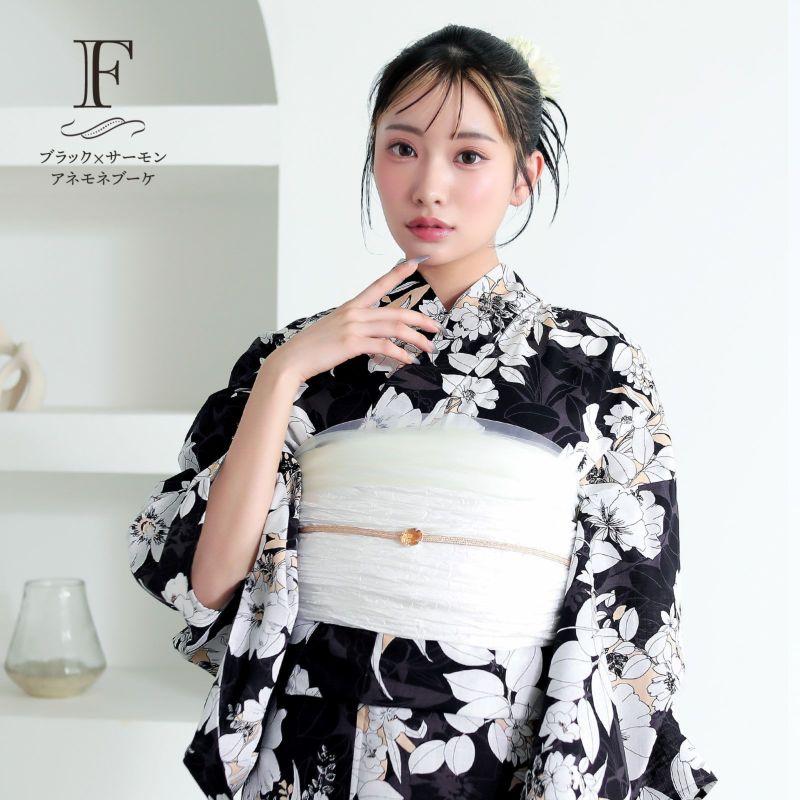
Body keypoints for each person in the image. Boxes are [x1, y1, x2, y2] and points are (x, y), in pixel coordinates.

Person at [128, 24, 718, 800]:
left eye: (468, 156)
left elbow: (635, 616)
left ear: (524, 176)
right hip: (312, 739)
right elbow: (211, 585)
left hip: (497, 744)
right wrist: (284, 372)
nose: (429, 186)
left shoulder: (595, 365)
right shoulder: (295, 355)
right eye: (402, 148)